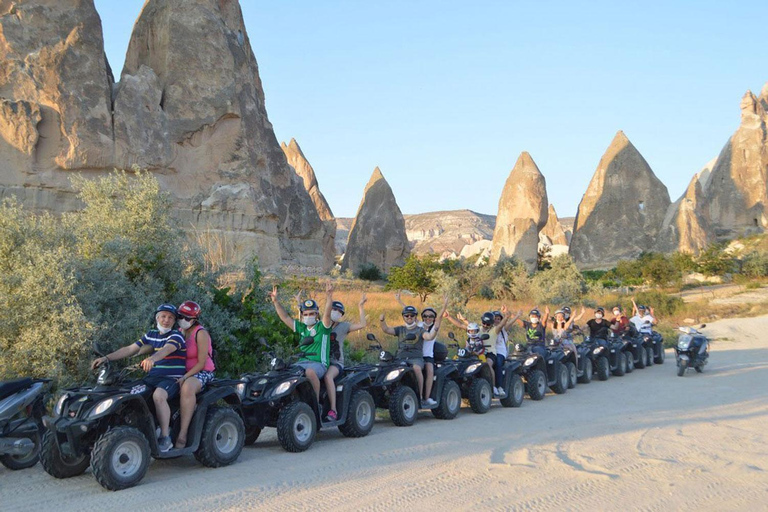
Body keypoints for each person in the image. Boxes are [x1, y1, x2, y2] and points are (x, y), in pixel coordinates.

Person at [91, 303, 186, 452]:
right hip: (152, 377)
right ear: (157, 318)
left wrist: (152, 359)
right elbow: (129, 349)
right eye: (163, 316)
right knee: (129, 393)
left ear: (174, 321)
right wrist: (106, 358)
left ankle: (165, 437)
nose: (166, 320)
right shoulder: (151, 334)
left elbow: (167, 349)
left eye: (170, 317)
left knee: (159, 396)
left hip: (171, 378)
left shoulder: (176, 336)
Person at [380, 295, 448, 408]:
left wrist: (444, 306)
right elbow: (406, 313)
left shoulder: (423, 329)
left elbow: (430, 336)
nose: (428, 318)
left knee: (426, 369)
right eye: (425, 316)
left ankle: (423, 397)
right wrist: (398, 302)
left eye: (431, 316)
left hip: (423, 356)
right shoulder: (415, 325)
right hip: (403, 356)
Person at [270, 283, 333, 403]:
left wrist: (329, 296)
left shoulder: (322, 327)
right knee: (283, 371)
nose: (308, 316)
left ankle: (315, 403)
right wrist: (276, 302)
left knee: (309, 372)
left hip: (319, 364)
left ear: (316, 314)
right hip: (302, 362)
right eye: (306, 314)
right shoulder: (302, 328)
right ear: (302, 315)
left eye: (311, 314)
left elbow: (328, 314)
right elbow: (285, 318)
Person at [174, 300, 215, 449]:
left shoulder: (201, 333)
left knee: (187, 387)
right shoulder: (179, 332)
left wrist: (185, 377)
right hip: (181, 371)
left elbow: (201, 362)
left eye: (187, 318)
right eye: (181, 317)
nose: (183, 321)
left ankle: (183, 435)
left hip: (202, 372)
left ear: (194, 319)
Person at [323, 292, 367, 422]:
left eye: (339, 311)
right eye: (333, 309)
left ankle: (333, 410)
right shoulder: (323, 324)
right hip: (321, 361)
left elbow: (362, 325)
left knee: (328, 377)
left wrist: (360, 307)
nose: (336, 312)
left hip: (336, 363)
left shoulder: (344, 326)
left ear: (342, 315)